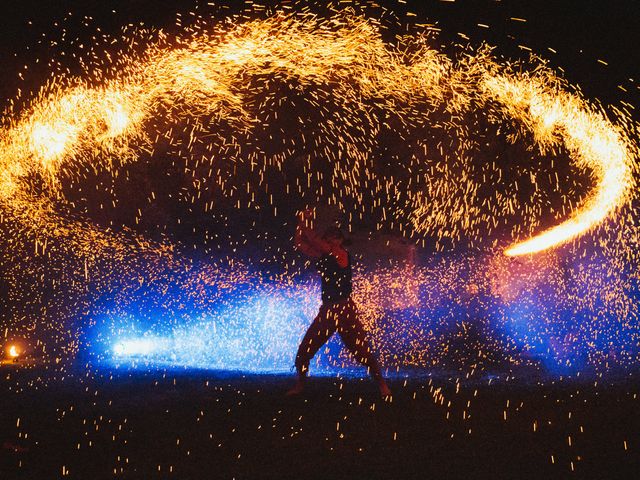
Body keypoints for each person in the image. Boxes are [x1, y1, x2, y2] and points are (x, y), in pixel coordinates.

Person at [287, 208, 391, 397]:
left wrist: (303, 219)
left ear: (341, 241)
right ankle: (300, 385)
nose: (332, 240)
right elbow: (300, 242)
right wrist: (299, 224)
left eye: (335, 237)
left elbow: (311, 238)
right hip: (327, 310)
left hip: (344, 310)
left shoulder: (341, 254)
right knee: (304, 351)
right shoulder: (324, 254)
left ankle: (383, 385)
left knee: (362, 353)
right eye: (330, 237)